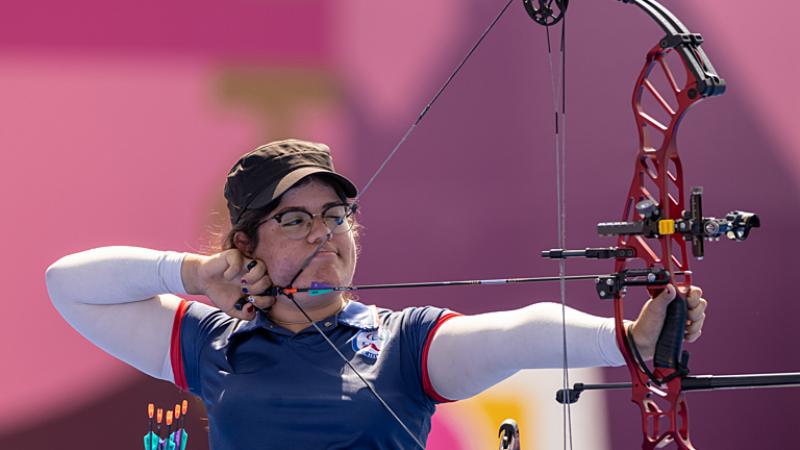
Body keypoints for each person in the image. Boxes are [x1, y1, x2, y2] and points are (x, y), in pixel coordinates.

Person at [46, 138, 707, 449]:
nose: (324, 235)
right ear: (246, 245)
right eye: (296, 220)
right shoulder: (212, 343)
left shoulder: (406, 342)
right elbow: (68, 285)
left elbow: (518, 333)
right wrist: (193, 276)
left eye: (336, 218)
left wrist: (626, 339)